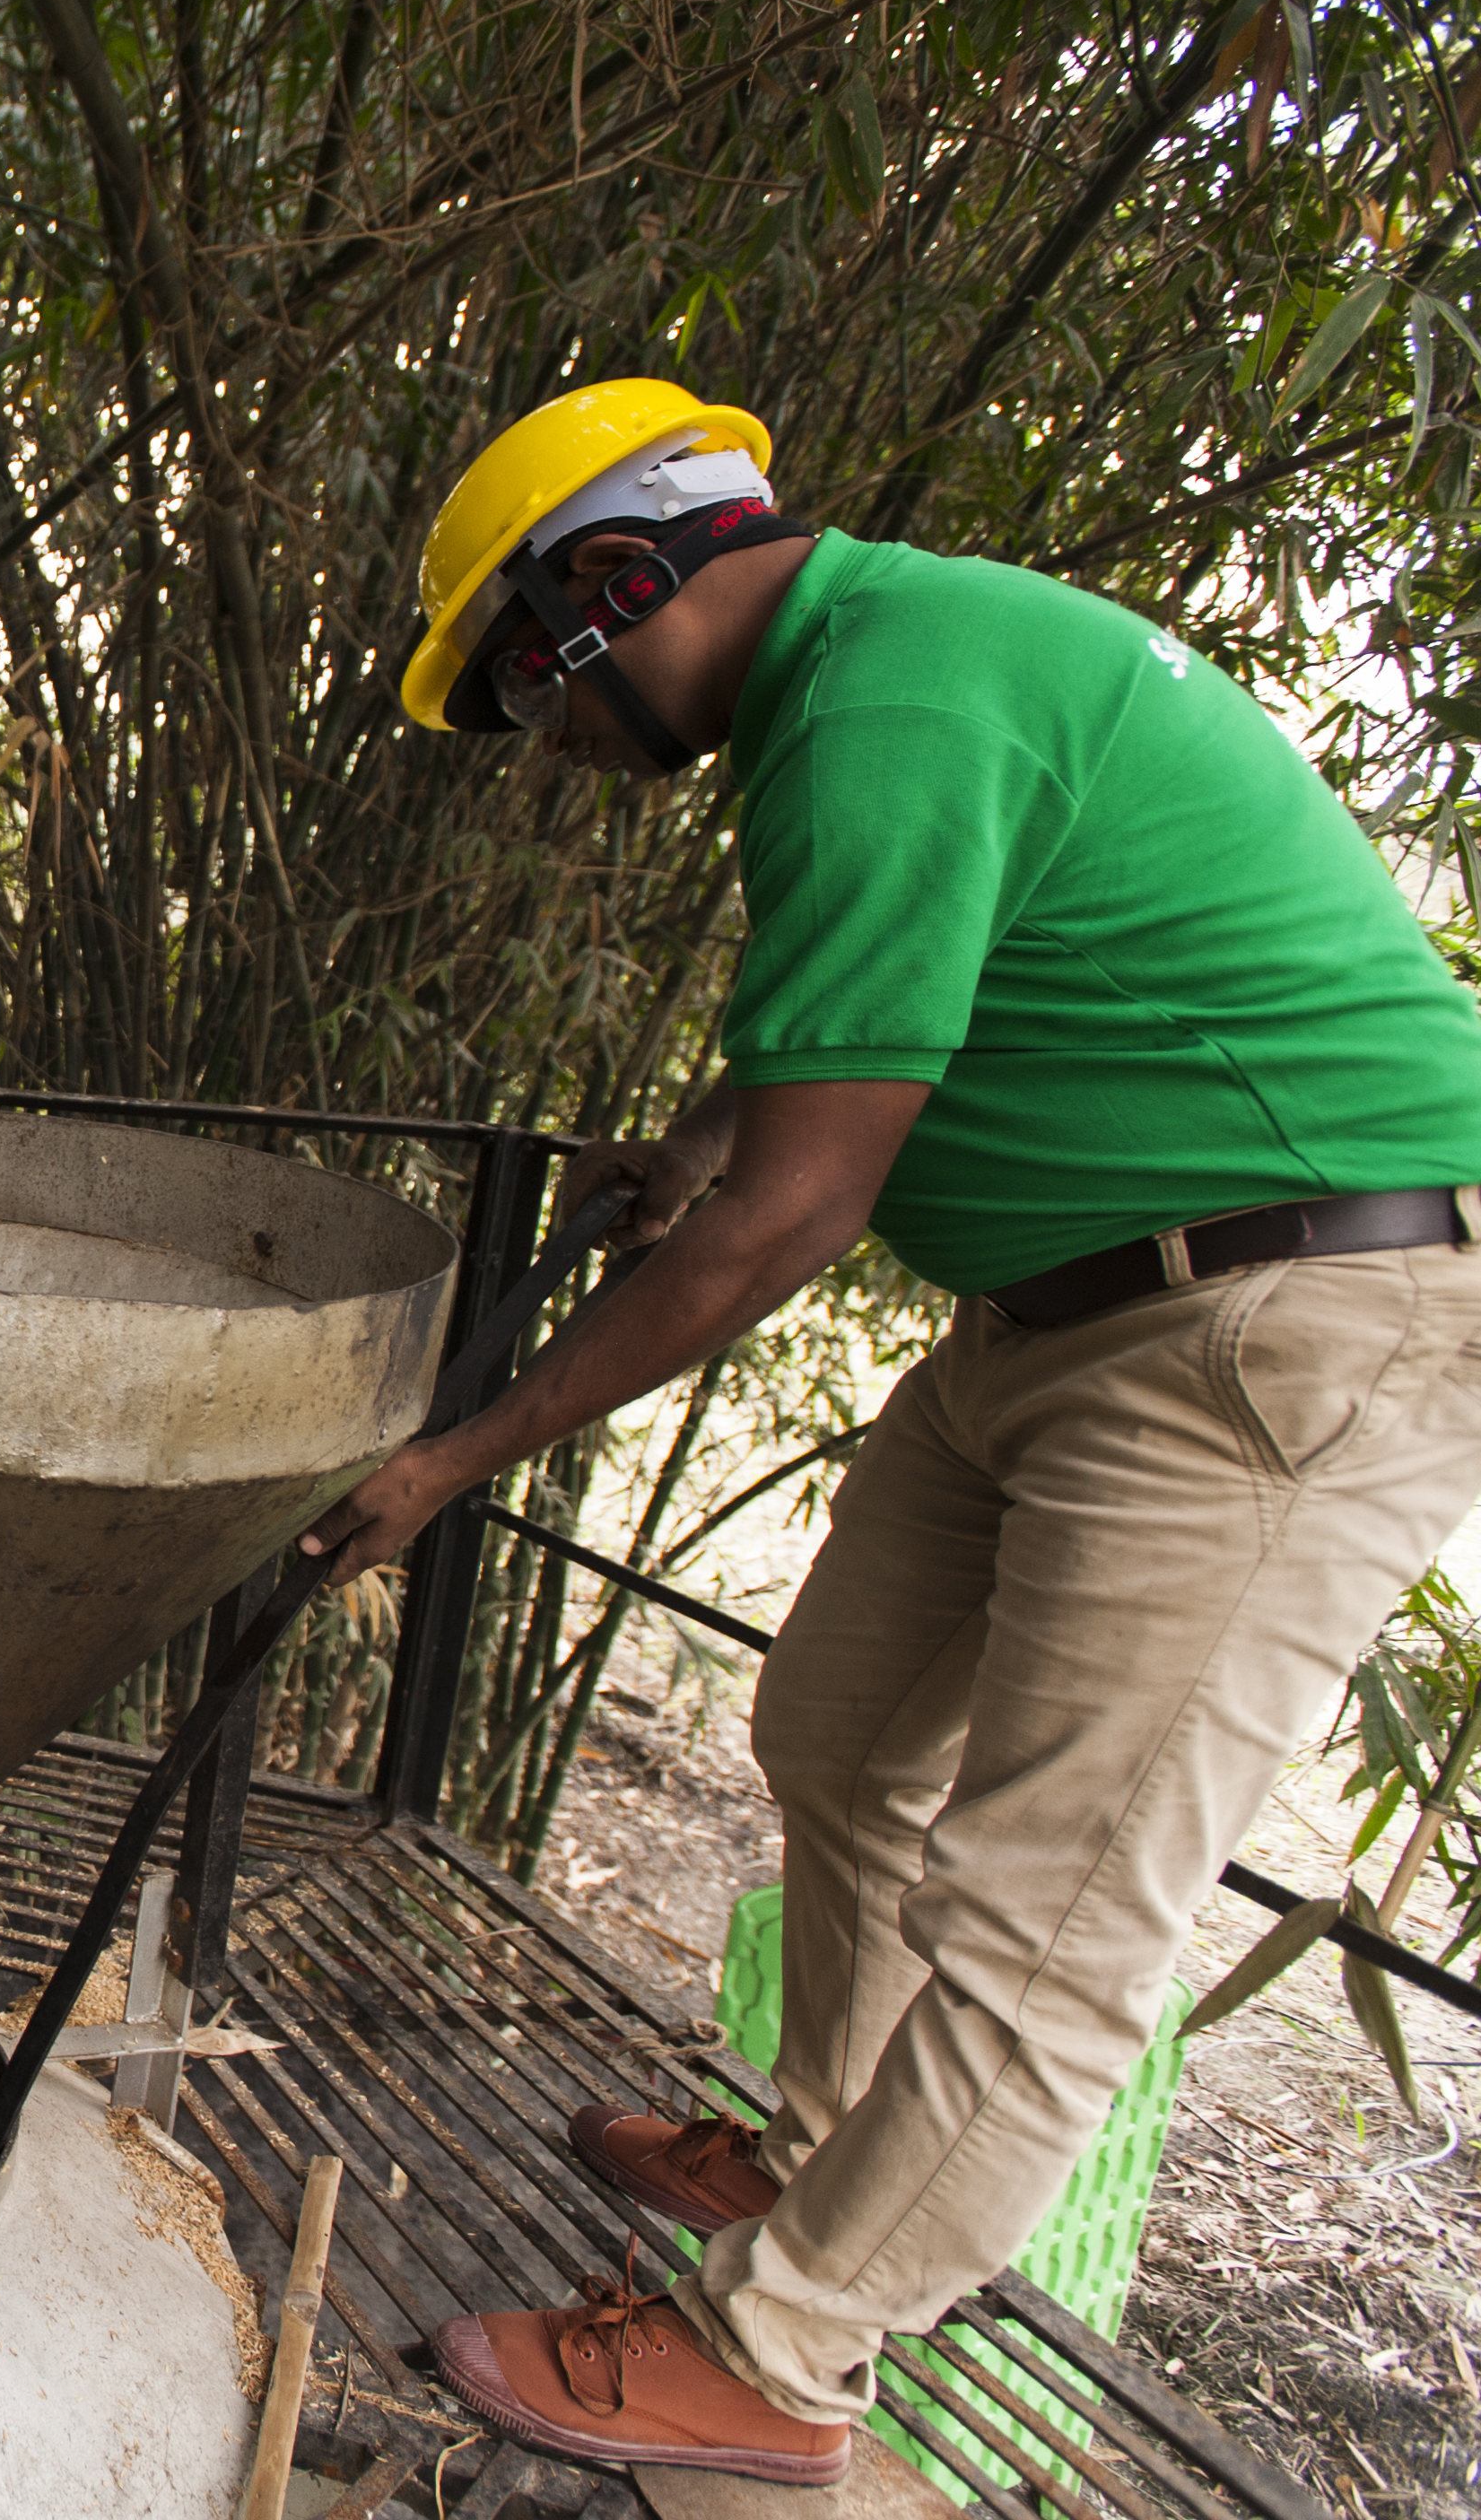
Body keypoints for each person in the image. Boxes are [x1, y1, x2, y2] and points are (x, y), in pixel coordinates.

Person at [303, 378, 1481, 2484]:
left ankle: (783, 2354)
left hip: (1284, 1323)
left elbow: (795, 1218)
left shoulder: (882, 709)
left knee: (1051, 1905)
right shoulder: (875, 670)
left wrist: (448, 1462)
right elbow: (878, 1023)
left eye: (528, 698)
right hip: (1082, 1308)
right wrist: (687, 1141)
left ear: (608, 585)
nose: (554, 753)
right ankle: (825, 2156)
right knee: (838, 1728)